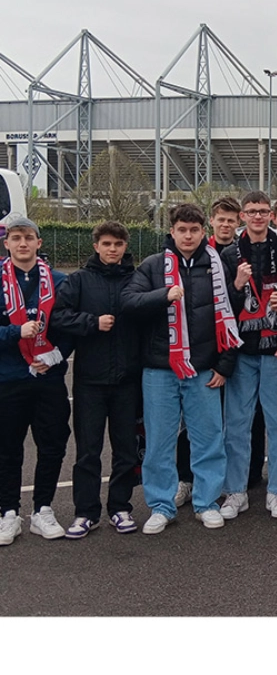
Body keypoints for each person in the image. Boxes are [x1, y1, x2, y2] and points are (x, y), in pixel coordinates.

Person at [121, 203, 241, 534]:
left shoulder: (215, 267)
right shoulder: (153, 265)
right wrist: (163, 295)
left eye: (194, 230)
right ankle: (161, 505)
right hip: (160, 368)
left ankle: (207, 502)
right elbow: (128, 303)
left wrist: (225, 365)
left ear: (204, 232)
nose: (188, 236)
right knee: (159, 440)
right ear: (172, 232)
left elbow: (231, 315)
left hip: (203, 368)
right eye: (182, 230)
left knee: (208, 439)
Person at [51, 220, 141, 538]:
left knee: (126, 451)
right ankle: (86, 513)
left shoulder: (136, 280)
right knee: (89, 451)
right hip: (90, 381)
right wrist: (91, 322)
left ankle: (120, 508)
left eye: (118, 244)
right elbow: (58, 317)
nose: (112, 249)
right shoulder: (78, 281)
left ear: (125, 247)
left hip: (128, 381)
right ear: (96, 246)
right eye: (106, 244)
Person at [220, 191, 277, 528]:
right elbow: (219, 300)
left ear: (271, 215)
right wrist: (238, 286)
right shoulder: (227, 254)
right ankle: (235, 490)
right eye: (251, 211)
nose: (257, 216)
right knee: (236, 424)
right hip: (241, 349)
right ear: (242, 216)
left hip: (275, 348)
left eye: (263, 211)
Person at [0, 218, 73, 546]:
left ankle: (42, 509)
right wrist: (16, 332)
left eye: (28, 238)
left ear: (39, 243)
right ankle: (8, 513)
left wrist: (56, 357)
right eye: (16, 238)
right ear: (7, 243)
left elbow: (70, 327)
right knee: (7, 449)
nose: (23, 244)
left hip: (48, 378)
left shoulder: (58, 281)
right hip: (8, 379)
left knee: (53, 444)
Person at [175, 195, 244, 508]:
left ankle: (222, 484)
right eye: (221, 220)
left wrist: (225, 362)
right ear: (211, 224)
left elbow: (233, 313)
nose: (226, 225)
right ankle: (186, 480)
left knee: (223, 425)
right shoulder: (183, 259)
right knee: (190, 426)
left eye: (232, 220)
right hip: (192, 357)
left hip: (222, 356)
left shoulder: (235, 256)